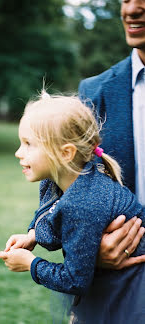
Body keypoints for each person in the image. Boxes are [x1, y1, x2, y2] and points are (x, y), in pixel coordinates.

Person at [0, 91, 145, 323]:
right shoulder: (59, 179)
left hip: (126, 296)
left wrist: (30, 264)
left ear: (66, 153)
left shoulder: (83, 203)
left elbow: (74, 279)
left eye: (28, 144)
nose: (18, 152)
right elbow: (51, 215)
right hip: (108, 286)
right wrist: (33, 235)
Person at [78, 0, 145, 270]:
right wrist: (92, 247)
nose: (130, 9)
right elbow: (70, 190)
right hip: (122, 282)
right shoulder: (93, 92)